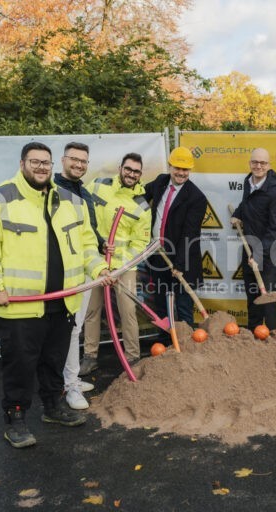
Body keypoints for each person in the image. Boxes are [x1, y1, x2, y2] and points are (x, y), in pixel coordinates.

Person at [0, 141, 111, 449]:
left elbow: (87, 246)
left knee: (53, 360)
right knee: (20, 365)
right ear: (22, 164)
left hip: (62, 301)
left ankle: (52, 407)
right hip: (20, 306)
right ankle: (16, 420)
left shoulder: (72, 201)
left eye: (45, 163)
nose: (41, 167)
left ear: (52, 166)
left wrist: (99, 269)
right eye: (35, 162)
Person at [79, 153, 152, 376]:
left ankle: (132, 357)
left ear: (140, 175)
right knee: (92, 311)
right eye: (128, 169)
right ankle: (90, 357)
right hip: (95, 261)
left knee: (128, 311)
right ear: (121, 168)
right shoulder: (98, 186)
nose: (131, 174)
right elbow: (85, 215)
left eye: (136, 171)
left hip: (123, 267)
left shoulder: (141, 206)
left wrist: (119, 266)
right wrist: (97, 248)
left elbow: (141, 242)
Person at [54, 142, 98, 409]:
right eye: (74, 159)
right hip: (65, 273)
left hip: (84, 269)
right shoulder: (54, 191)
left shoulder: (83, 192)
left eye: (83, 161)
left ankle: (69, 378)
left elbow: (86, 233)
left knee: (75, 328)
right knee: (68, 329)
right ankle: (69, 385)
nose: (79, 164)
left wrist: (101, 245)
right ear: (63, 160)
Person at [144, 147, 207, 326]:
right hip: (157, 255)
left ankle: (186, 347)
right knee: (161, 304)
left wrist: (179, 265)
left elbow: (190, 234)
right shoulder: (160, 182)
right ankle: (165, 343)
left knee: (183, 305)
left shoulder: (197, 198)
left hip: (181, 259)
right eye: (177, 168)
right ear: (170, 166)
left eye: (185, 169)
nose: (181, 173)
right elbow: (140, 197)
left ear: (190, 170)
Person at [230, 148, 276, 331]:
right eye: (255, 162)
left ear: (269, 165)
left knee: (269, 298)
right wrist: (237, 214)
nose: (258, 166)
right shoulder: (249, 182)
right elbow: (247, 203)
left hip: (271, 253)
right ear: (250, 163)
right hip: (250, 249)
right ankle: (253, 338)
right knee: (253, 297)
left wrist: (258, 253)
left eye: (263, 163)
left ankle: (273, 339)